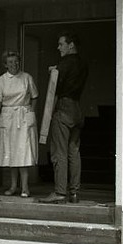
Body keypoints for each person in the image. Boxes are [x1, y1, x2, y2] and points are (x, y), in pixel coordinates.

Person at [39, 32, 88, 204]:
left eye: (61, 44)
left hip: (64, 108)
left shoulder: (64, 63)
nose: (58, 47)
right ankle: (74, 192)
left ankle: (60, 192)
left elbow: (55, 89)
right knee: (74, 152)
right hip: (77, 108)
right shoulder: (82, 63)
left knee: (59, 151)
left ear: (71, 44)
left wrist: (55, 71)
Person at [0, 50, 39, 197]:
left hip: (23, 117)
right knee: (11, 153)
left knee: (23, 152)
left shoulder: (27, 78)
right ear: (5, 64)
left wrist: (31, 112)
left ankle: (24, 187)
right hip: (7, 117)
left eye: (16, 61)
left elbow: (35, 96)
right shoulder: (1, 80)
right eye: (10, 62)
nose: (14, 64)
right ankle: (12, 186)